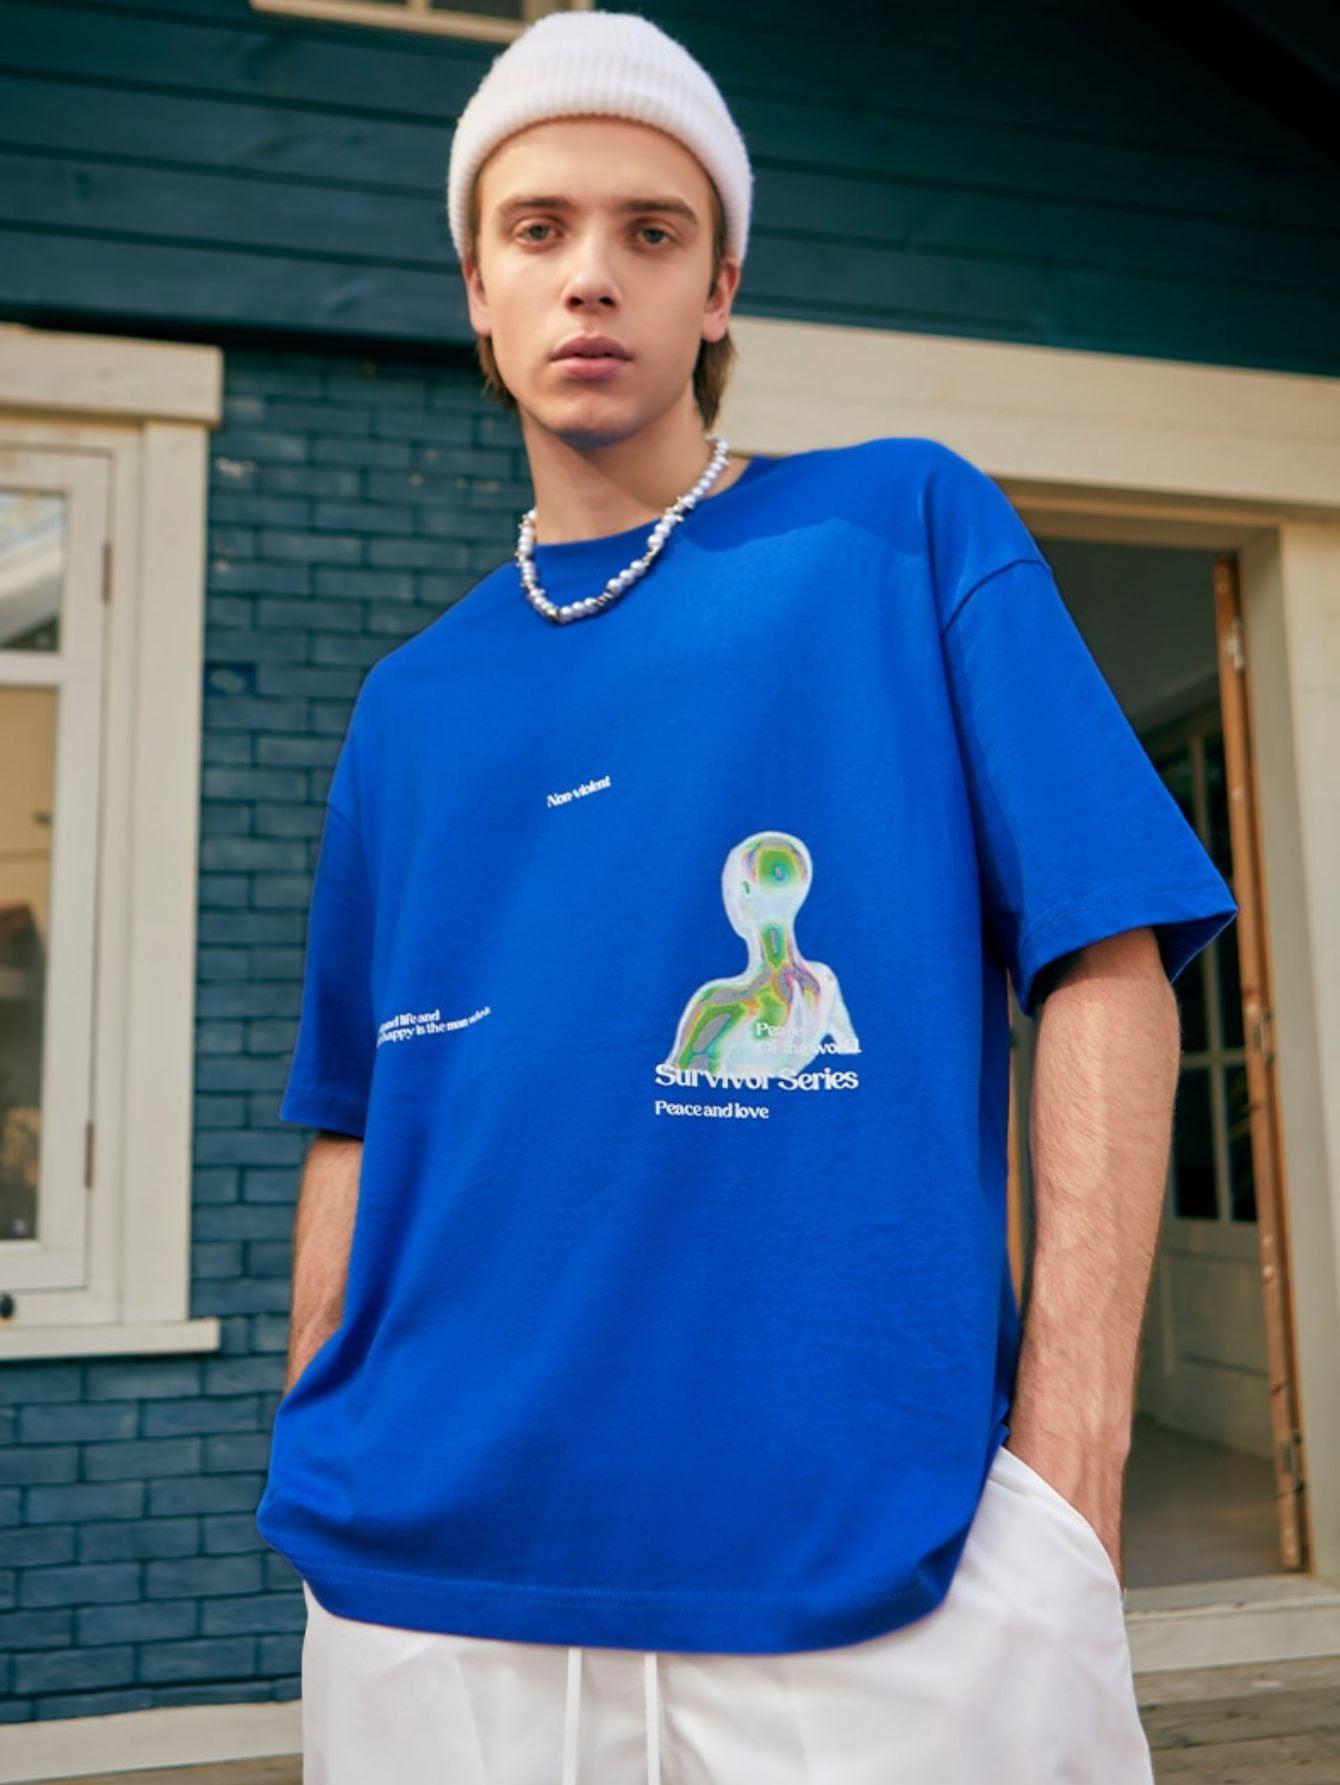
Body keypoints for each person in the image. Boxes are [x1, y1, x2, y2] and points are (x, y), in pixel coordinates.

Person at [255, 11, 1239, 1782]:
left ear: (718, 291)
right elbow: (356, 1114)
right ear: (477, 286)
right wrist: (315, 1405)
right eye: (539, 228)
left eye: (652, 230)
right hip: (424, 1589)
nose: (591, 276)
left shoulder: (898, 532)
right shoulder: (412, 704)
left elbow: (1110, 953)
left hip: (878, 1585)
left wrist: (1073, 1465)